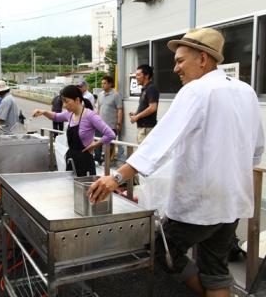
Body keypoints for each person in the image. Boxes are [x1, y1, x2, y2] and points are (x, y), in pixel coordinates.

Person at [88, 28, 265, 297]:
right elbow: (257, 148)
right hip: (233, 199)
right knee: (216, 269)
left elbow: (159, 142)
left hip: (201, 200)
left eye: (181, 60)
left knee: (159, 249)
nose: (176, 68)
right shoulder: (245, 91)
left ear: (203, 59)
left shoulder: (196, 90)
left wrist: (116, 178)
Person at [32, 85, 115, 177]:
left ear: (77, 100)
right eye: (63, 102)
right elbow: (56, 117)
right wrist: (43, 112)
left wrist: (94, 144)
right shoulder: (70, 114)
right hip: (71, 158)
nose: (64, 105)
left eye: (67, 102)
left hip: (85, 162)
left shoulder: (91, 116)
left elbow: (110, 134)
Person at [94, 75, 123, 166]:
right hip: (99, 124)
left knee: (109, 144)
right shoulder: (100, 94)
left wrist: (118, 123)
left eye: (105, 83)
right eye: (102, 83)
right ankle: (98, 159)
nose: (103, 85)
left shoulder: (116, 95)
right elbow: (98, 108)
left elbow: (120, 110)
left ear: (110, 84)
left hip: (111, 125)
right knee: (97, 143)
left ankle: (106, 161)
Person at [129, 64, 160, 144]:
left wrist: (137, 116)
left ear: (147, 75)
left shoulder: (151, 88)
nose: (136, 77)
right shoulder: (145, 89)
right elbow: (145, 106)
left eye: (139, 75)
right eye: (136, 75)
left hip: (147, 128)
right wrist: (136, 113)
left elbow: (153, 107)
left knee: (145, 154)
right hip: (143, 127)